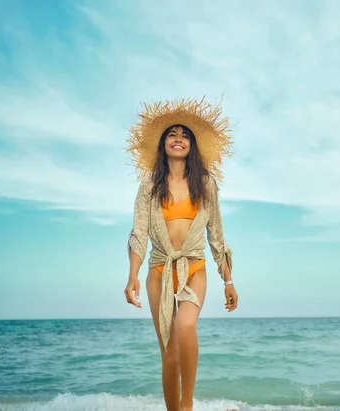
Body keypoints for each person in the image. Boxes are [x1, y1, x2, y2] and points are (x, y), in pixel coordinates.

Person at [123, 97, 238, 411]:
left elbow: (217, 235)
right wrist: (132, 276)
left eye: (184, 134)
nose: (177, 138)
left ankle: (187, 405)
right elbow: (139, 233)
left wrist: (228, 281)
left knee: (186, 325)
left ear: (192, 145)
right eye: (171, 134)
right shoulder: (149, 186)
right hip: (159, 268)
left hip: (195, 266)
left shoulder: (205, 184)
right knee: (169, 353)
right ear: (163, 145)